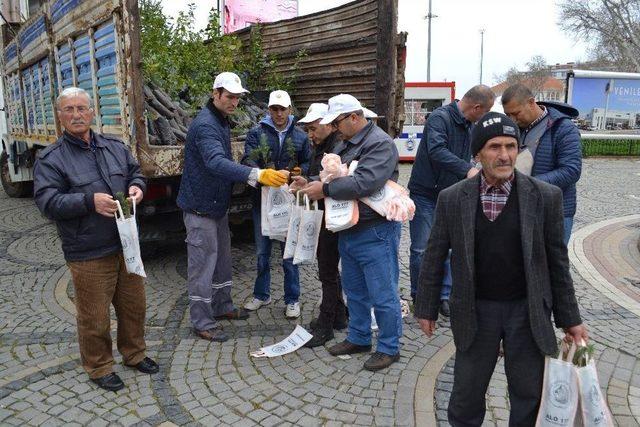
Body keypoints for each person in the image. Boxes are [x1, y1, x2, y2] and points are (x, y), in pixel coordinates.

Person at [415, 112, 588, 426]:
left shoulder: (545, 197)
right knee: (466, 394)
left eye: (511, 146)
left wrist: (570, 319)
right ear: (478, 153)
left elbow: (557, 263)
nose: (505, 155)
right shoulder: (452, 199)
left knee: (528, 394)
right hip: (475, 310)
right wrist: (426, 307)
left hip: (527, 310)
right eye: (495, 146)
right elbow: (434, 255)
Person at [33, 87, 159, 392]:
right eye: (69, 109)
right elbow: (47, 202)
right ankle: (99, 365)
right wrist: (89, 202)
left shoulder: (114, 146)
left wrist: (137, 188)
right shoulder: (51, 159)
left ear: (92, 113)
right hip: (88, 250)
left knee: (134, 307)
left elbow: (134, 173)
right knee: (95, 316)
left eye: (82, 108)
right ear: (60, 116)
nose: (77, 114)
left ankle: (134, 353)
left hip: (125, 243)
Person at [177, 72, 288, 342]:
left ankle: (222, 305)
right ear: (215, 94)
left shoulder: (220, 120)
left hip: (216, 205)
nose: (234, 102)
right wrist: (256, 175)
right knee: (202, 266)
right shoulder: (205, 125)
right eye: (229, 97)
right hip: (200, 206)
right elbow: (215, 162)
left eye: (237, 98)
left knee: (222, 261)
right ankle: (202, 320)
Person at [302, 94, 402, 371]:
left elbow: (363, 183)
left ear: (354, 118)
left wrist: (323, 189)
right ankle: (358, 337)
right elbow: (334, 177)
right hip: (351, 227)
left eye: (337, 122)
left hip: (376, 229)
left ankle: (389, 347)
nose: (334, 127)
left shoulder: (380, 143)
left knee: (383, 293)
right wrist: (310, 181)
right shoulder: (349, 142)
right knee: (355, 290)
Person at [407, 85, 495, 316]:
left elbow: (470, 152)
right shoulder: (439, 118)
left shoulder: (470, 124)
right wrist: (467, 170)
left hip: (451, 194)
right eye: (485, 112)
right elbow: (437, 151)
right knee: (421, 249)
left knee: (449, 247)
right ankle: (421, 296)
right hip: (425, 193)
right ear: (476, 107)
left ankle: (444, 296)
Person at [242, 90, 311, 318]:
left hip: (289, 200)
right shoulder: (256, 133)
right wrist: (264, 173)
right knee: (262, 252)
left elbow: (308, 162)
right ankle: (262, 295)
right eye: (274, 109)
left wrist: (300, 174)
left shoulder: (300, 136)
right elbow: (247, 159)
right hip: (262, 199)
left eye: (283, 109)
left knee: (288, 251)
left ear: (290, 109)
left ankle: (292, 298)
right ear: (269, 110)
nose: (279, 113)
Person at [291, 103, 348, 347]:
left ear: (327, 124)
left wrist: (312, 181)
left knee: (327, 270)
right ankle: (339, 315)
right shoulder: (325, 144)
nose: (310, 135)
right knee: (329, 268)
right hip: (328, 212)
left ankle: (326, 324)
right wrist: (309, 179)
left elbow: (332, 178)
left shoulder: (335, 146)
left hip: (332, 214)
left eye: (313, 129)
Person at [501, 83, 582, 245]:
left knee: (550, 265)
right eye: (508, 115)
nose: (512, 120)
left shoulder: (564, 128)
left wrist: (529, 184)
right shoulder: (515, 128)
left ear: (531, 103)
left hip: (555, 211)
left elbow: (571, 171)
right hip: (522, 208)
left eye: (516, 113)